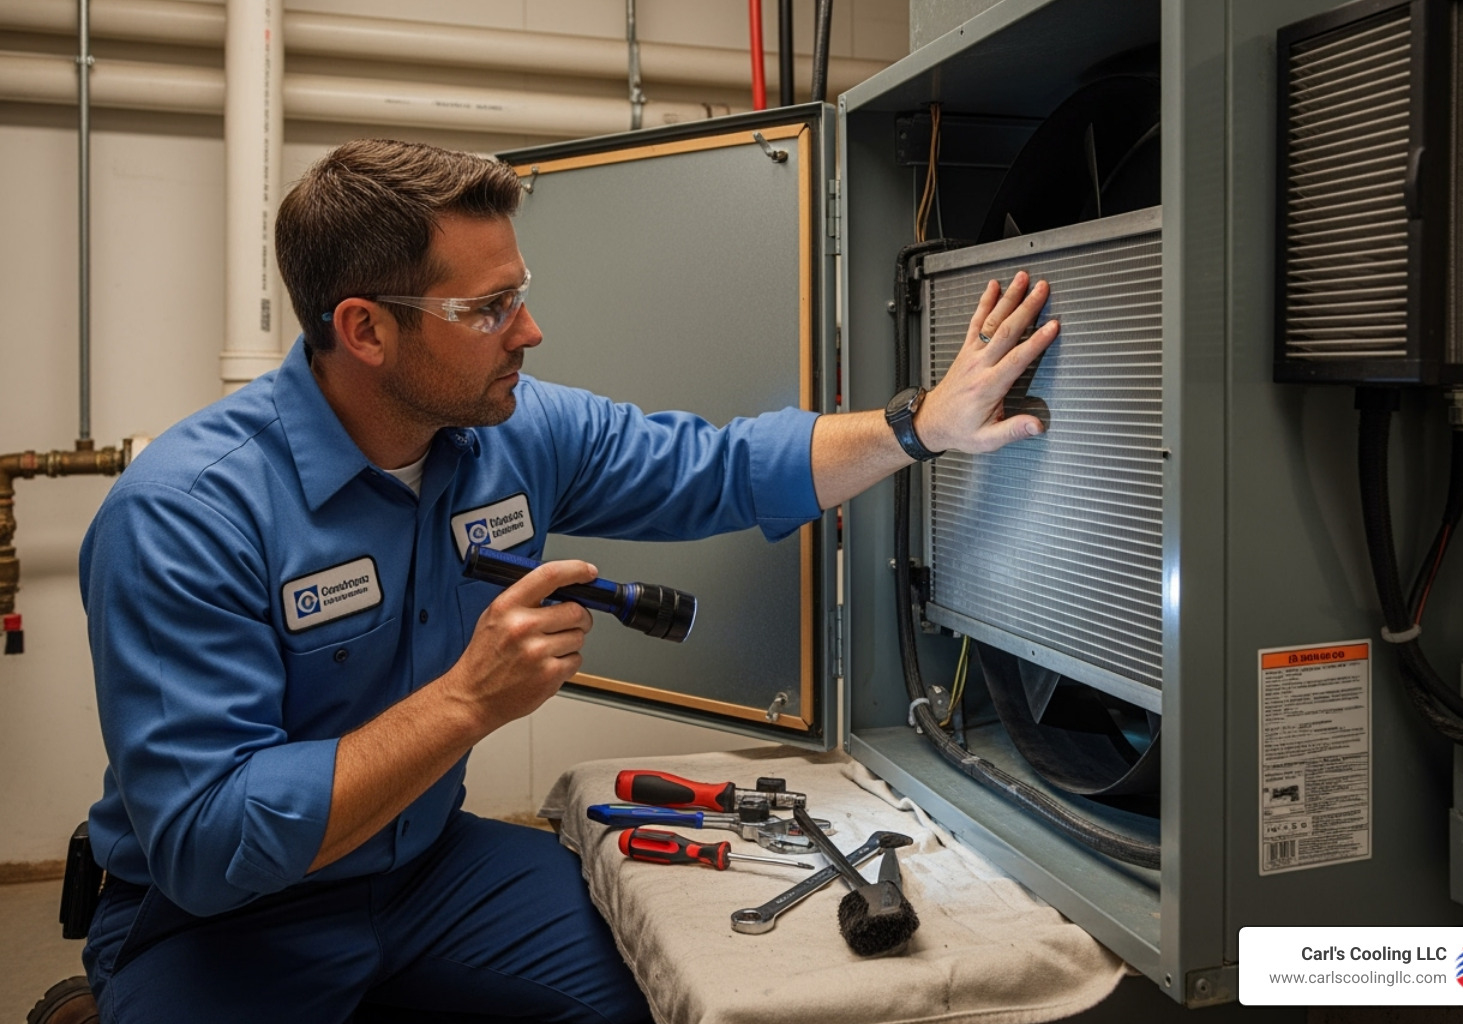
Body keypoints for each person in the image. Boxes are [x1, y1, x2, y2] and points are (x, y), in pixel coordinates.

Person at [77, 138, 1058, 1024]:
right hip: (222, 920)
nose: (530, 330)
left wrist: (922, 424)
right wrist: (466, 703)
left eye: (521, 291)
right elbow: (208, 844)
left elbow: (719, 469)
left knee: (666, 993)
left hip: (428, 871)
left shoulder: (518, 429)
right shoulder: (185, 513)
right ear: (364, 330)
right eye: (488, 309)